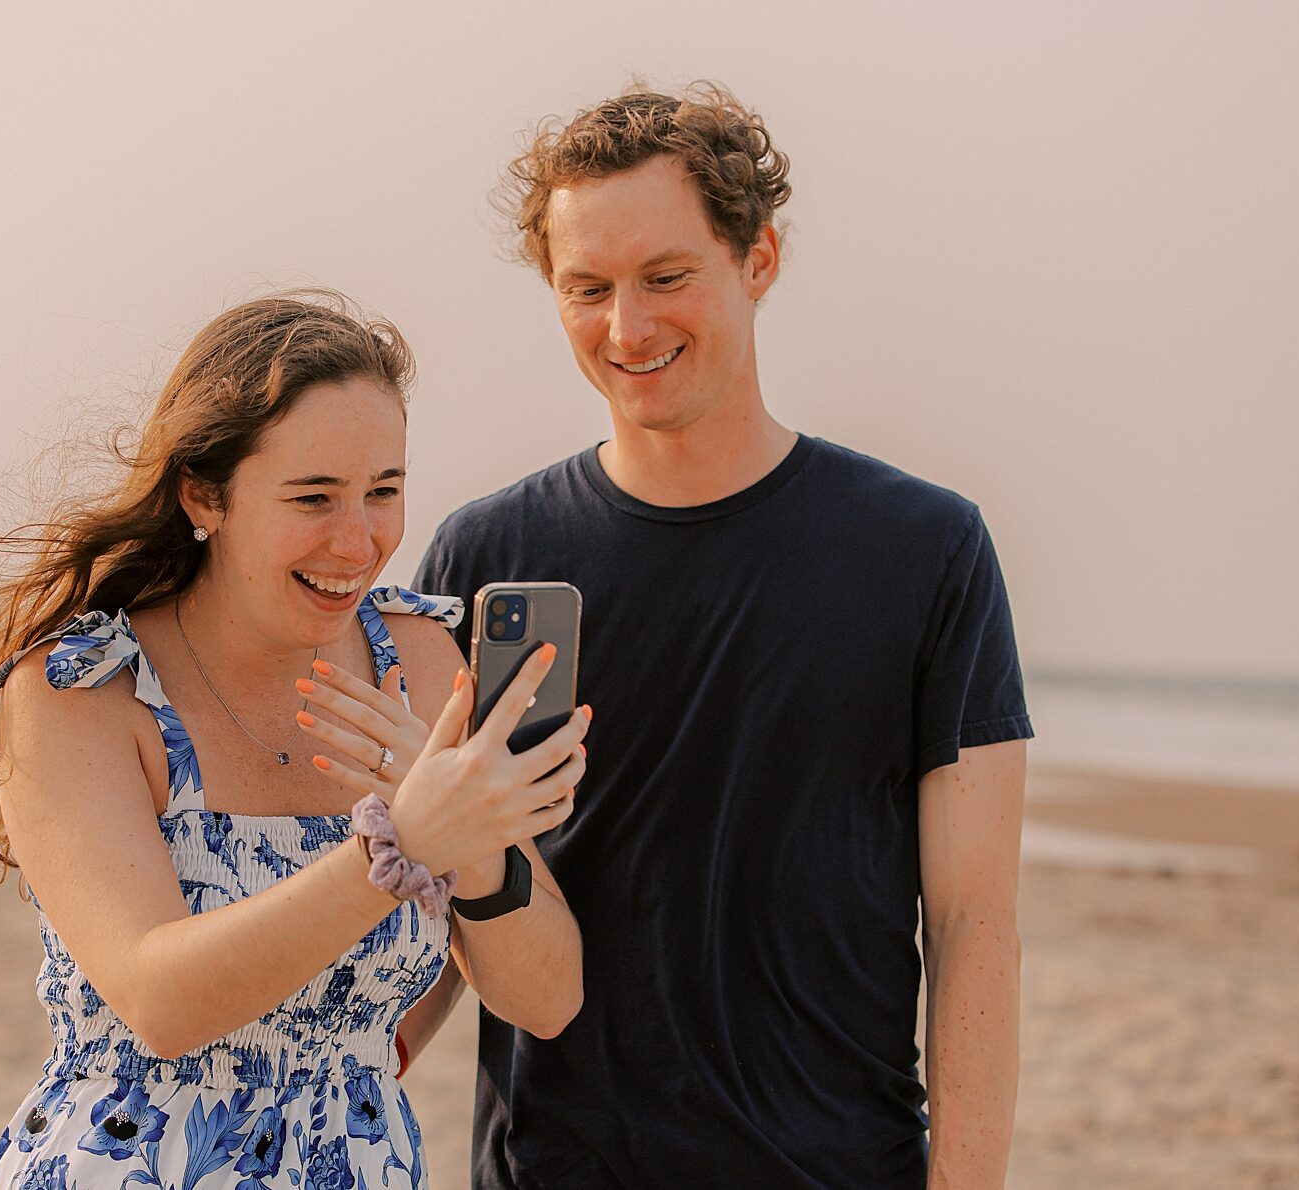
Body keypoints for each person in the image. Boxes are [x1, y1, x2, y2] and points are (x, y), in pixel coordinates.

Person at [412, 85, 1032, 1188]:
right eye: (587, 288)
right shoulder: (483, 559)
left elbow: (975, 919)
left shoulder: (928, 550)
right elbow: (446, 895)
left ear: (760, 259)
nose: (627, 328)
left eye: (665, 276)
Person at [0, 291, 588, 1190]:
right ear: (204, 494)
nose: (359, 540)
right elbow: (160, 1001)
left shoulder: (422, 657)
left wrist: (474, 855)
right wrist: (401, 847)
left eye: (384, 491)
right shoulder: (83, 691)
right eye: (314, 497)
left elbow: (549, 1000)